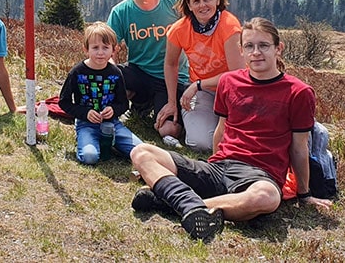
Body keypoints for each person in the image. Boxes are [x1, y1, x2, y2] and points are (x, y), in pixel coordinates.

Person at [130, 18, 333, 243]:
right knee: (142, 153)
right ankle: (193, 203)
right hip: (220, 167)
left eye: (263, 45)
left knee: (267, 198)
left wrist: (304, 195)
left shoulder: (299, 92)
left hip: (259, 175)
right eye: (249, 46)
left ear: (279, 48)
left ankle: (171, 201)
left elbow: (299, 147)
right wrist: (213, 166)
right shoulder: (229, 81)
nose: (256, 52)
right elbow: (221, 131)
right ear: (241, 51)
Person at [107, 0, 190, 144]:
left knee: (167, 130)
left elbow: (197, 32)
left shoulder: (175, 4)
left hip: (172, 78)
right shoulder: (120, 11)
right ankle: (133, 105)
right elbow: (109, 48)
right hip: (139, 73)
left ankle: (164, 111)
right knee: (113, 73)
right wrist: (112, 79)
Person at [161, 0, 245, 151]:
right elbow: (170, 64)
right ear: (189, 5)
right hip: (202, 93)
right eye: (196, 1)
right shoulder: (179, 30)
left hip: (232, 90)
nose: (202, 5)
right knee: (201, 144)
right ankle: (191, 124)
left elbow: (237, 73)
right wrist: (171, 102)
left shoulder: (229, 27)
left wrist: (198, 84)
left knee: (236, 138)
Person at [58, 22, 142, 165]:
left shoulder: (115, 72)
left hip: (112, 123)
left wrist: (113, 110)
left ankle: (110, 142)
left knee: (141, 151)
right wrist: (85, 113)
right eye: (95, 48)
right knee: (90, 157)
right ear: (86, 49)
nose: (100, 52)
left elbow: (123, 104)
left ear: (113, 50)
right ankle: (92, 141)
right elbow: (63, 102)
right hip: (86, 123)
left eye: (105, 48)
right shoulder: (77, 72)